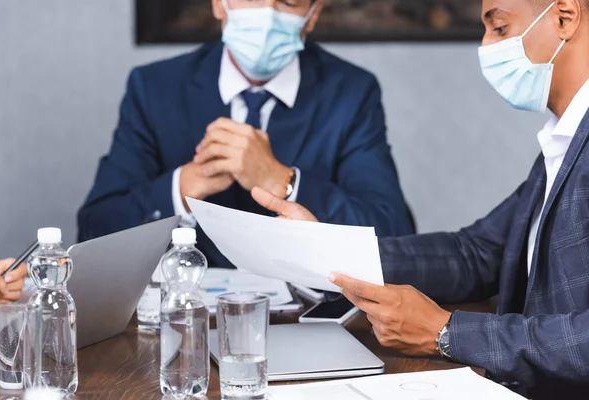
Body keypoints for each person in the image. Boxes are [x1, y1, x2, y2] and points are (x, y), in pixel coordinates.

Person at [251, 0, 589, 397]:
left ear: (564, 17)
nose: (485, 45)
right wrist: (329, 253)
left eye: (498, 28)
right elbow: (477, 253)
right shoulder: (564, 141)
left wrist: (445, 332)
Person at [77, 0, 413, 268]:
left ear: (313, 14)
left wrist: (283, 181)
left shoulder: (351, 92)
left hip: (305, 318)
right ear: (218, 4)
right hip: (186, 316)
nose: (266, 15)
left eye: (288, 2)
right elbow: (94, 229)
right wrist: (180, 189)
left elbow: (393, 234)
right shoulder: (154, 88)